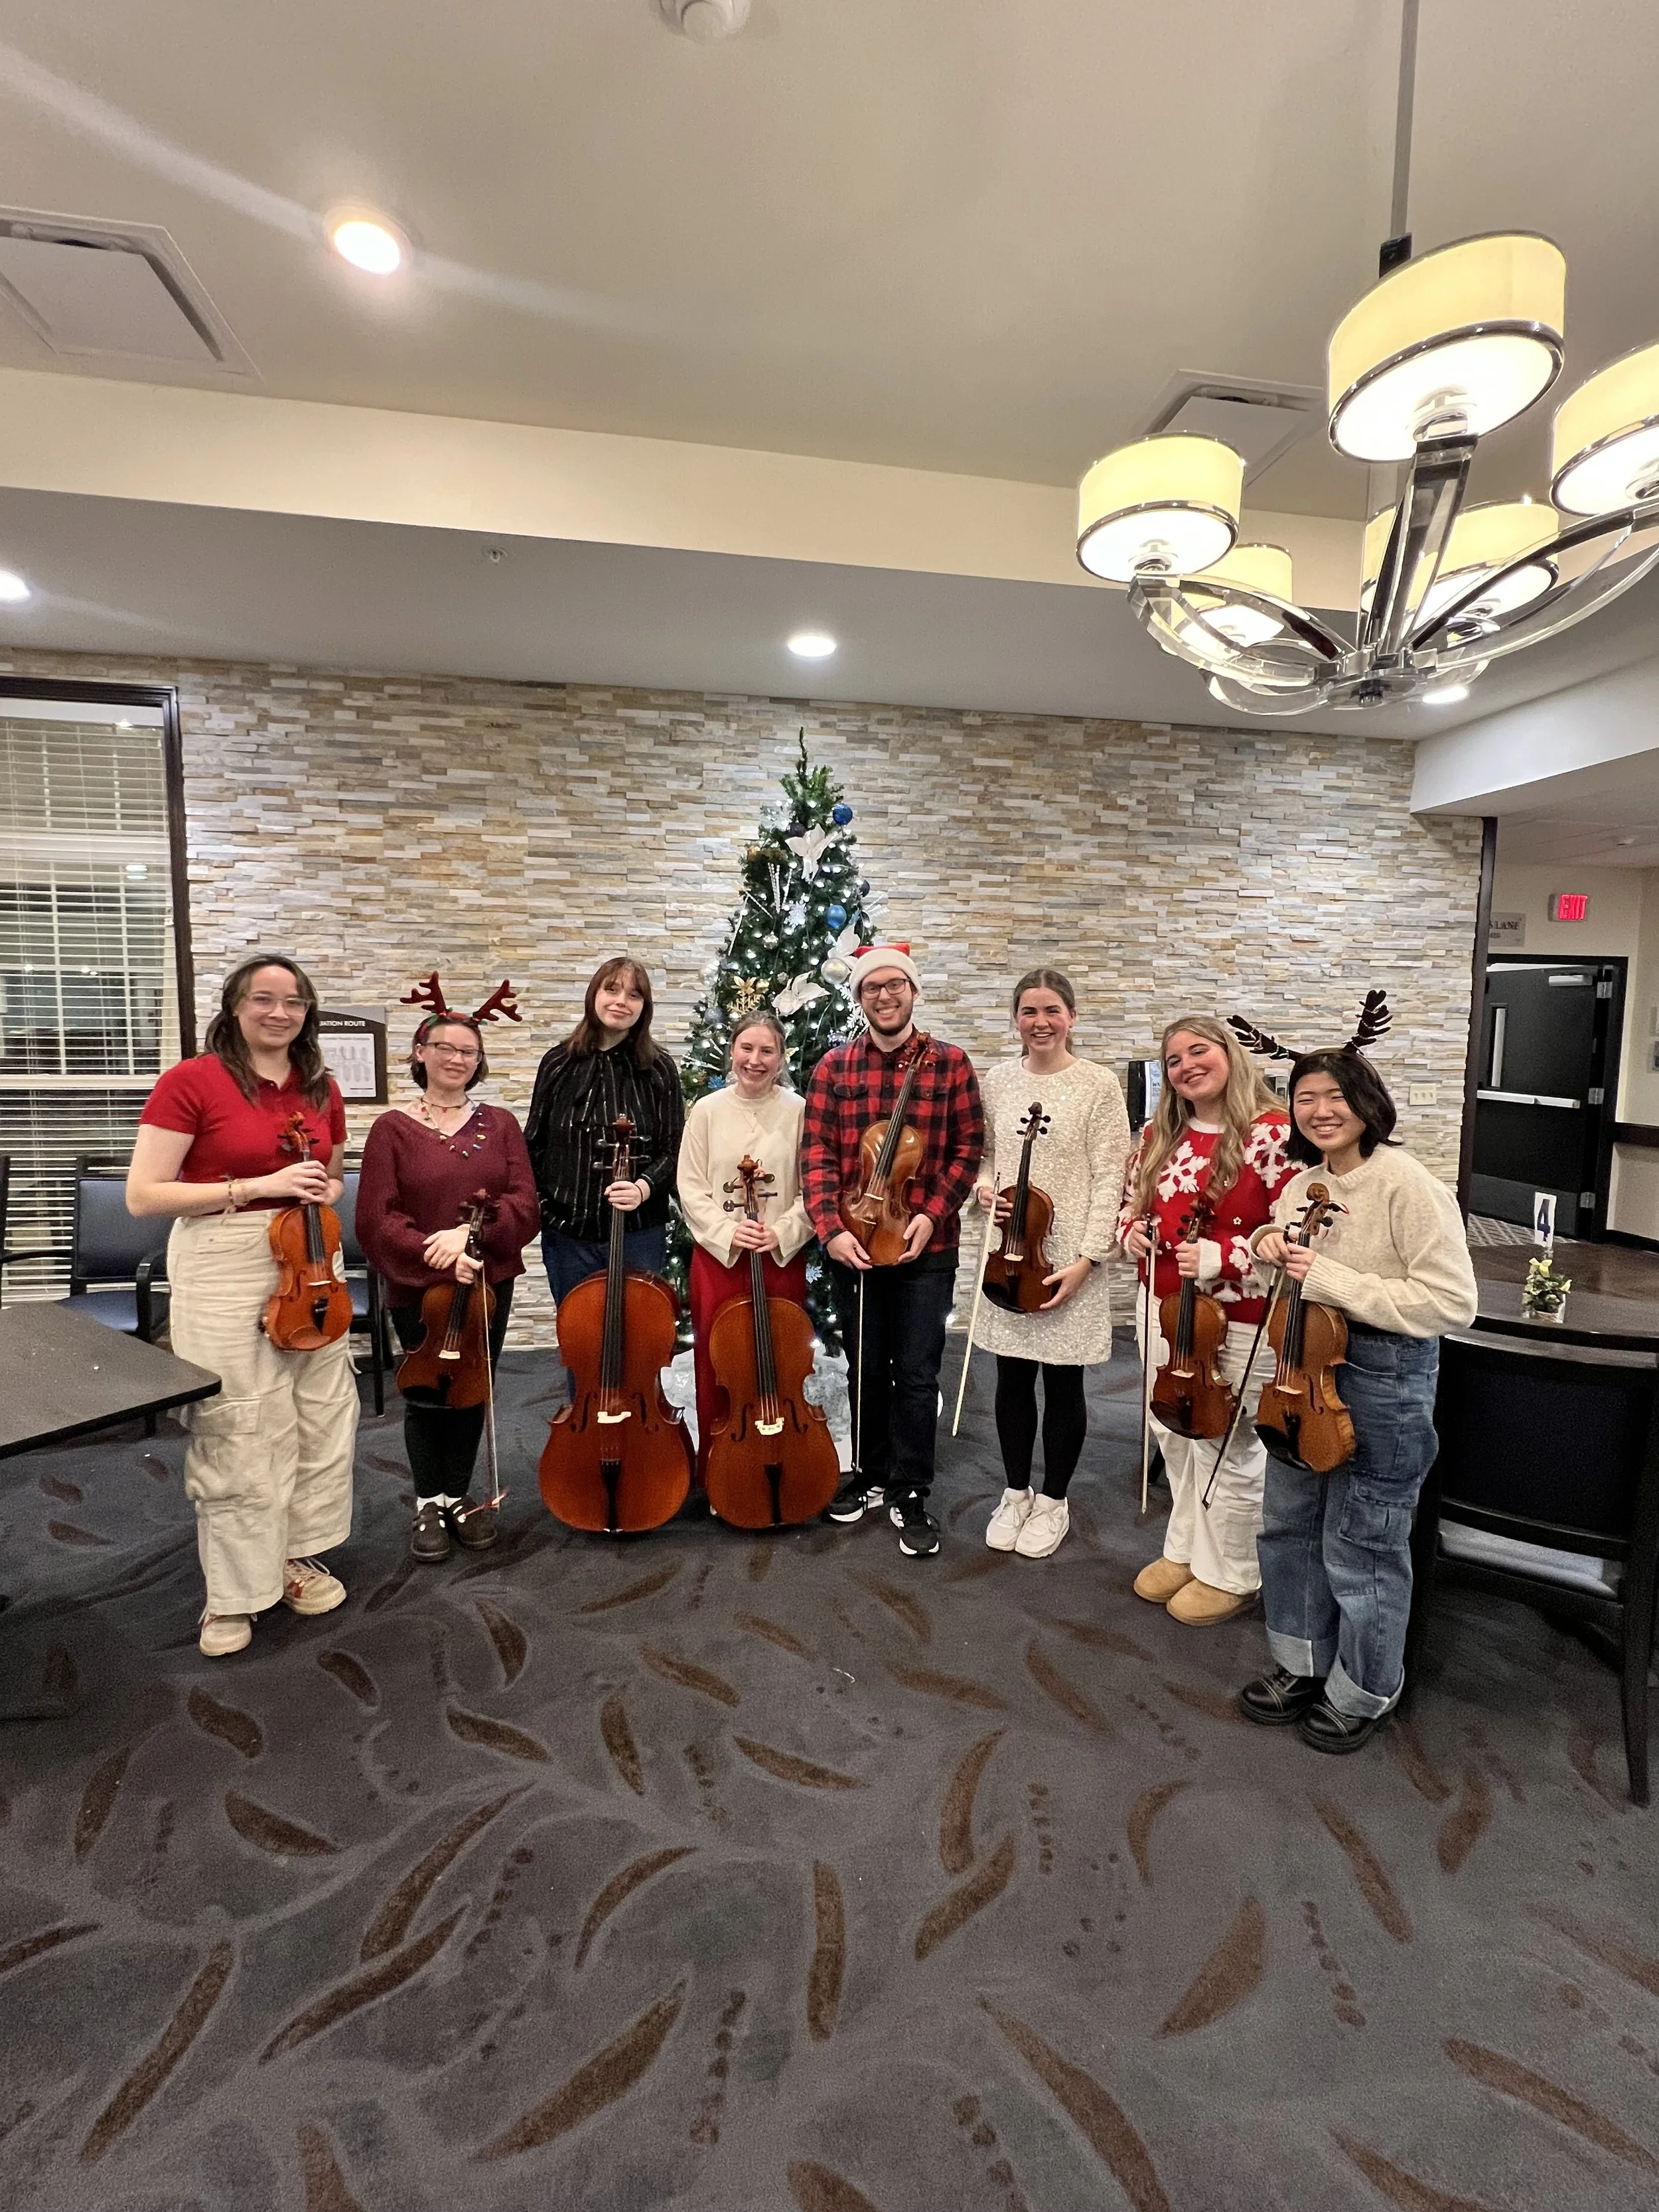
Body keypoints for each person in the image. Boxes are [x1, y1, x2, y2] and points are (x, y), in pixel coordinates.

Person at [1238, 1035, 1477, 1751]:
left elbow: (1451, 1303)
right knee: (1288, 1525)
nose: (1317, 1111)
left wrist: (1328, 1280)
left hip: (1383, 1375)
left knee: (1362, 1541)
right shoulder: (1300, 1186)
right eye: (1304, 1098)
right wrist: (1263, 1247)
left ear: (1366, 1103)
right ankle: (1301, 1663)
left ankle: (1365, 1687)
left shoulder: (1404, 1181)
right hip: (1297, 1367)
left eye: (1333, 1097)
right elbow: (1272, 1269)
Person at [125, 955, 359, 1658]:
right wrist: (256, 1186)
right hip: (227, 1257)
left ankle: (290, 1558)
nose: (279, 1012)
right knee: (241, 1420)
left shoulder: (321, 1088)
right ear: (234, 1008)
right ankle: (231, 1593)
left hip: (312, 1254)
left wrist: (321, 1191)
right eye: (263, 999)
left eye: (294, 1002)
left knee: (320, 1410)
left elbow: (334, 1176)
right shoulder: (191, 1081)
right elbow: (145, 1195)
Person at [801, 943, 983, 1558]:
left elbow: (968, 1149)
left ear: (913, 991)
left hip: (924, 1246)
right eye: (872, 987)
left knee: (917, 1370)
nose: (885, 995)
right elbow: (819, 1156)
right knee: (864, 1367)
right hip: (855, 1241)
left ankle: (911, 1488)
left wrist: (933, 1215)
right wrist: (831, 1229)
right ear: (859, 997)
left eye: (895, 985)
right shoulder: (835, 1067)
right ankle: (871, 1474)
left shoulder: (950, 1063)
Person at [1118, 1017, 1293, 1623]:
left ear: (1229, 1054)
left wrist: (1227, 1256)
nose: (1187, 1065)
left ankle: (1233, 1571)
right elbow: (1129, 1205)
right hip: (1163, 1308)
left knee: (1230, 1443)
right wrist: (1130, 1233)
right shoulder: (1157, 1133)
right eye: (1173, 1060)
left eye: (1199, 1050)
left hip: (1238, 1315)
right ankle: (1188, 1548)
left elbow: (1295, 1233)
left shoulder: (1275, 1135)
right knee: (1175, 1430)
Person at [356, 986, 540, 1563]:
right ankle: (427, 1502)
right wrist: (433, 1251)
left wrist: (471, 1238)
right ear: (419, 1053)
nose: (457, 1059)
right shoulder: (392, 1128)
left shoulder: (502, 1123)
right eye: (445, 1047)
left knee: (469, 1391)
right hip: (420, 1285)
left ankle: (460, 1496)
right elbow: (375, 1217)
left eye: (469, 1051)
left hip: (488, 1281)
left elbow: (524, 1201)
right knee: (425, 1394)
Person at [973, 969, 1130, 1559]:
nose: (1040, 1022)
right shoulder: (998, 1080)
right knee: (1011, 1377)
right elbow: (989, 1154)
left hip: (1068, 1258)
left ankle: (1053, 1500)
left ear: (1072, 1017)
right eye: (1029, 1011)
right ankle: (1015, 1492)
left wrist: (1089, 1259)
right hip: (1012, 1253)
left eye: (1052, 1010)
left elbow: (1109, 1176)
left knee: (1063, 1382)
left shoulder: (1098, 1084)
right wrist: (986, 1187)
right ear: (1016, 1018)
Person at [524, 958, 684, 1395]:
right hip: (568, 1233)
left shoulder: (660, 1069)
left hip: (638, 1232)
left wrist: (645, 1185)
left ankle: (641, 1444)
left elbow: (675, 1149)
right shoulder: (558, 1063)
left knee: (637, 1343)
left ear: (644, 1007)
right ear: (594, 995)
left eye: (634, 994)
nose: (621, 1001)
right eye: (612, 990)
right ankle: (586, 1439)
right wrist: (544, 1206)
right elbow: (533, 1143)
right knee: (582, 1343)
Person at [676, 1010, 814, 1483]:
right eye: (747, 1049)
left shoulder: (799, 1110)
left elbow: (813, 1187)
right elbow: (690, 1186)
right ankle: (721, 1470)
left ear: (781, 1058)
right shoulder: (707, 1110)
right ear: (732, 1051)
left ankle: (779, 1458)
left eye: (767, 1051)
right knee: (717, 1363)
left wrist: (784, 1231)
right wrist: (725, 1231)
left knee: (778, 1360)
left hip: (779, 1257)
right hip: (720, 1260)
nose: (755, 1060)